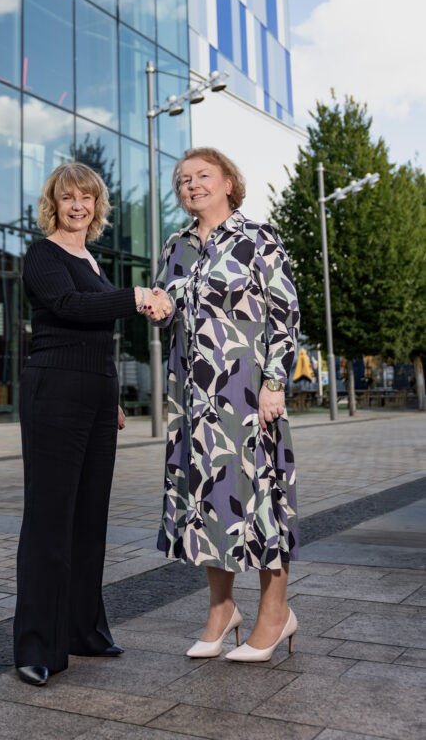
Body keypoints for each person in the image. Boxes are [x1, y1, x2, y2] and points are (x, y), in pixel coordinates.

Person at [14, 162, 171, 686]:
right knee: (49, 522)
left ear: (97, 205)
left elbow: (97, 336)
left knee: (89, 521)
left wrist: (112, 395)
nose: (77, 204)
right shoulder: (43, 255)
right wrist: (136, 297)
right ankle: (37, 647)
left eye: (87, 196)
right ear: (53, 204)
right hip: (53, 394)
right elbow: (68, 308)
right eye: (68, 197)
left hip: (96, 398)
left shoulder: (93, 260)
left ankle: (84, 631)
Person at [154, 147, 300, 662]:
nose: (191, 184)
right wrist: (157, 305)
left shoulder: (258, 238)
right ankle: (222, 611)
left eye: (202, 176)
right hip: (196, 399)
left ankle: (275, 613)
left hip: (247, 392)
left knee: (260, 499)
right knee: (210, 498)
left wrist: (275, 382)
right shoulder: (177, 246)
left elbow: (284, 313)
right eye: (183, 179)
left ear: (228, 183)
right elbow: (167, 306)